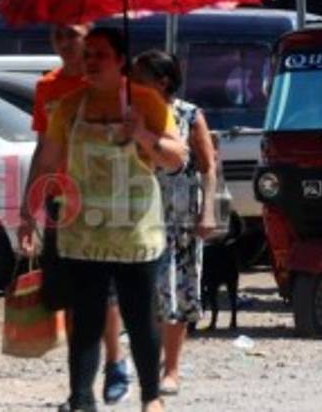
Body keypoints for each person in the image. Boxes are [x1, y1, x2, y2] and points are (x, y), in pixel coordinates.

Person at [21, 27, 187, 412]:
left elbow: (175, 158)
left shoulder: (146, 101)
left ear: (119, 61)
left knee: (139, 313)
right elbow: (47, 158)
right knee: (86, 319)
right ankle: (81, 398)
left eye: (100, 54)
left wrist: (142, 134)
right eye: (88, 54)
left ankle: (151, 396)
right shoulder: (70, 105)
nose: (90, 61)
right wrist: (28, 210)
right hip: (84, 231)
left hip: (134, 232)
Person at [23, 24, 131, 405]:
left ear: (89, 37)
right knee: (69, 296)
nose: (65, 42)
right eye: (57, 36)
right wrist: (27, 208)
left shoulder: (110, 82)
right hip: (61, 203)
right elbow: (41, 149)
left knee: (105, 293)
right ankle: (79, 388)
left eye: (73, 34)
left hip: (105, 201)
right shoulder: (47, 88)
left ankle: (116, 363)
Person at [131, 49, 217, 398]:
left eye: (140, 76)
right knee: (148, 292)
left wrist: (208, 210)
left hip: (179, 215)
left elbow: (209, 166)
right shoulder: (131, 116)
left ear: (162, 81)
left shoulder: (189, 115)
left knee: (177, 292)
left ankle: (172, 370)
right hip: (138, 215)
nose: (132, 82)